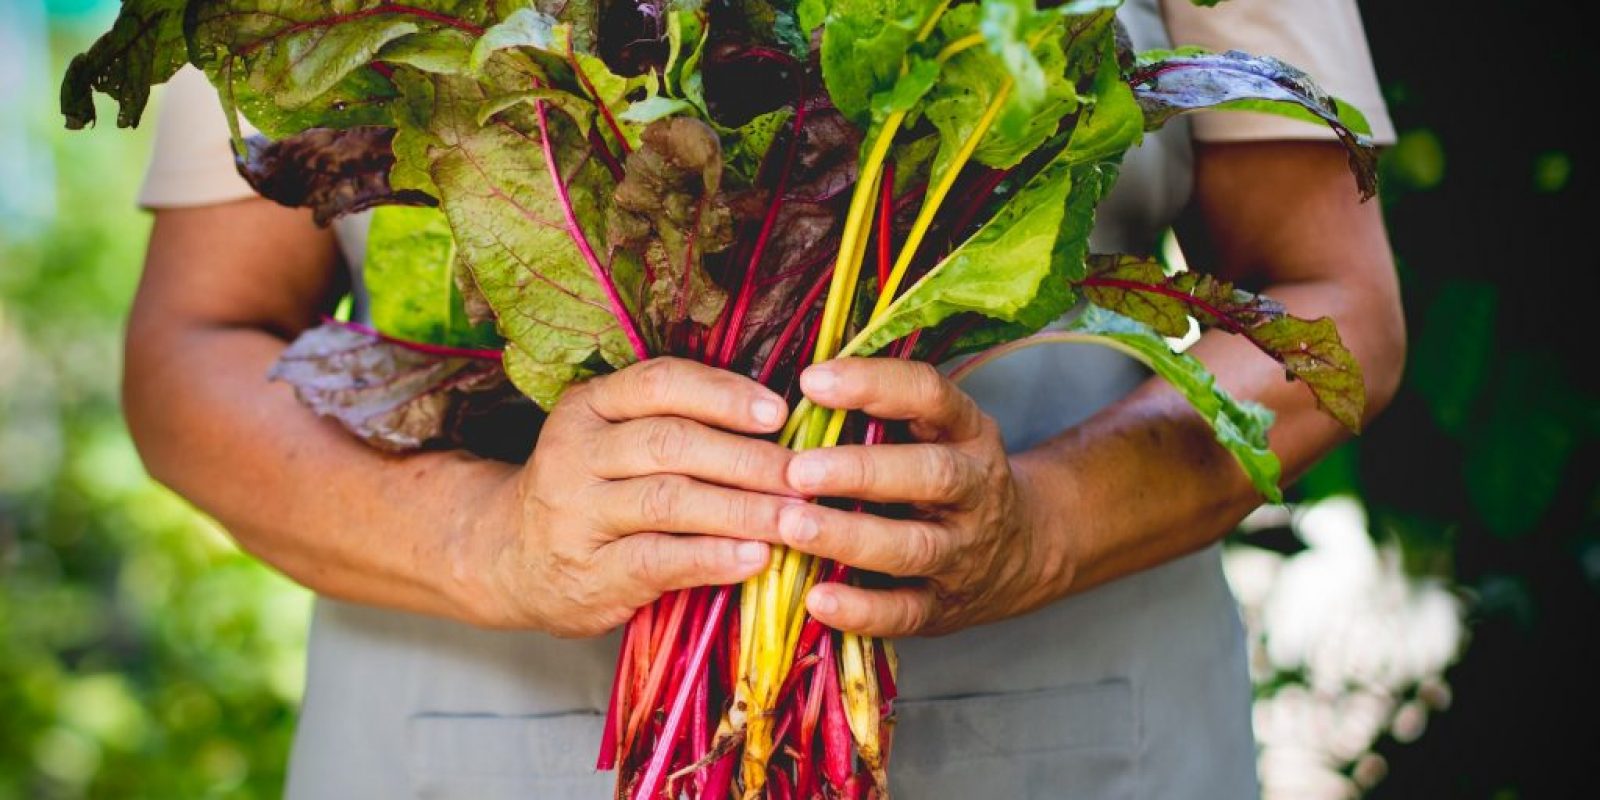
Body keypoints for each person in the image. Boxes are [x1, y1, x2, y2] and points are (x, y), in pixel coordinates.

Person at [125, 0, 1403, 796]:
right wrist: (487, 541)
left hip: (1071, 727)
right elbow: (194, 349)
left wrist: (1047, 523)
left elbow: (1333, 304)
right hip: (463, 735)